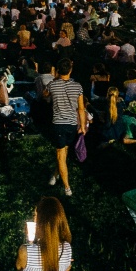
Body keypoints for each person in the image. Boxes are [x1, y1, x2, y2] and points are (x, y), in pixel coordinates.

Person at [45, 59, 87, 197]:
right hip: (72, 125)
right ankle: (55, 176)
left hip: (58, 124)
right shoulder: (78, 86)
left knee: (61, 155)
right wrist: (82, 126)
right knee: (63, 153)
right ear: (70, 70)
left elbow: (44, 95)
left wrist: (55, 79)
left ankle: (67, 187)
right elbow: (81, 109)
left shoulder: (52, 85)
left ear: (58, 70)